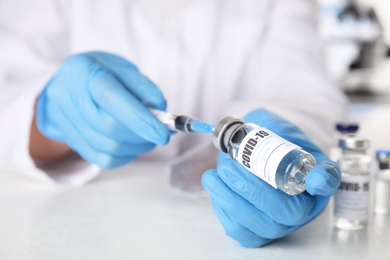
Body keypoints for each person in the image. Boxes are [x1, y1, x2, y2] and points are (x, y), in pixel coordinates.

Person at [0, 0, 347, 247]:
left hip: (207, 225)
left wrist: (285, 129)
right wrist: (49, 115)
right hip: (66, 224)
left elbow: (306, 94)